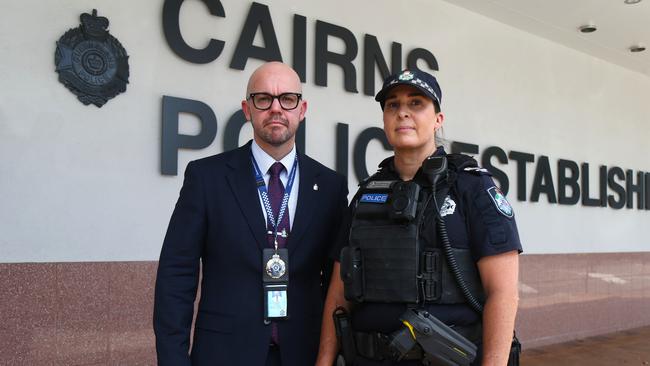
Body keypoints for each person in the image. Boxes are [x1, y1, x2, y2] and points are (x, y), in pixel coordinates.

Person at [316, 69, 522, 366]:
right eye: (393, 105)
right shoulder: (366, 195)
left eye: (416, 103)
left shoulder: (473, 188)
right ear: (384, 120)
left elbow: (502, 293)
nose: (403, 113)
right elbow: (338, 295)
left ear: (439, 119)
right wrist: (324, 361)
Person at [154, 62, 348, 366]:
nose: (275, 108)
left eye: (287, 98)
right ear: (247, 109)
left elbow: (337, 284)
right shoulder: (207, 178)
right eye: (263, 99)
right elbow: (176, 275)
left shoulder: (330, 186)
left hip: (304, 354)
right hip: (223, 354)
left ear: (302, 108)